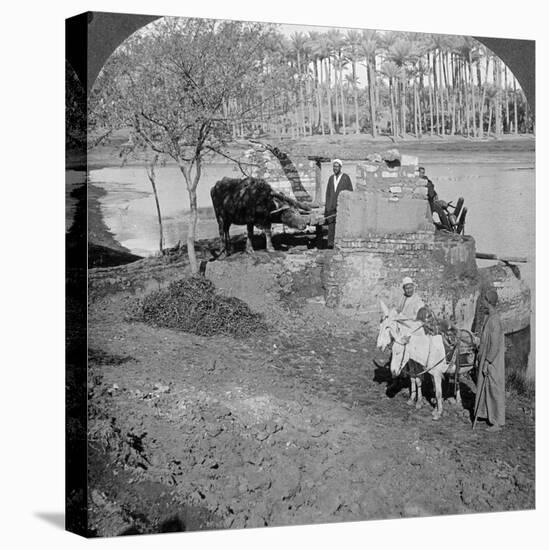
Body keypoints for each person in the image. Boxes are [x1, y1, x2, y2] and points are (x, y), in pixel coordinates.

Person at [473, 288, 505, 431]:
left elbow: (495, 344)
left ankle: (497, 422)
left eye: (484, 300)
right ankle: (485, 414)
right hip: (486, 358)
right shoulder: (489, 317)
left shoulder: (495, 321)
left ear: (489, 302)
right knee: (485, 386)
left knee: (494, 388)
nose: (482, 302)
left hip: (493, 362)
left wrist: (487, 361)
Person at [324, 159, 353, 248]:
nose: (335, 168)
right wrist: (327, 207)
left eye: (337, 166)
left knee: (341, 225)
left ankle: (340, 244)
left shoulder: (345, 178)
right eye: (334, 166)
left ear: (340, 167)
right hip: (331, 206)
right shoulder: (331, 178)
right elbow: (328, 193)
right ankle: (330, 244)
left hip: (342, 206)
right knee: (331, 225)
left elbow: (350, 191)